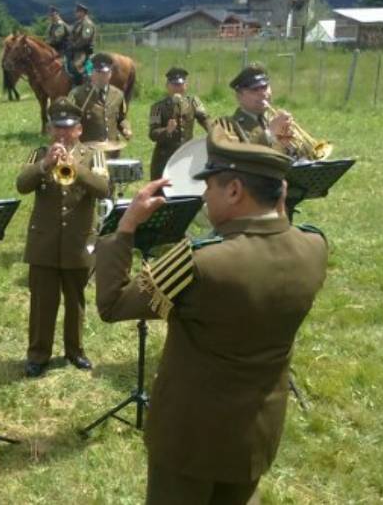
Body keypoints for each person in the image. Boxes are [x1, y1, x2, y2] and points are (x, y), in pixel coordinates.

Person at [95, 123, 328, 504]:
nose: (203, 195)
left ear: (234, 190)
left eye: (209, 185)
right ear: (280, 192)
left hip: (191, 441)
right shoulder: (315, 246)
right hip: (257, 433)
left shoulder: (199, 262)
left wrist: (126, 227)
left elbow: (114, 304)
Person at [16, 97, 112, 377]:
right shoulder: (38, 153)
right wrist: (46, 164)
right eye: (57, 128)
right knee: (42, 302)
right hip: (43, 241)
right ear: (49, 130)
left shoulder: (93, 155)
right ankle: (37, 354)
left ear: (79, 130)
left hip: (78, 240)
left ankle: (75, 350)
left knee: (75, 300)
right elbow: (22, 185)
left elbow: (104, 188)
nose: (62, 134)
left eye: (68, 128)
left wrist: (76, 168)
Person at [148, 67, 210, 179]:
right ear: (167, 86)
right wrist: (166, 131)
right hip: (164, 157)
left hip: (187, 153)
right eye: (174, 85)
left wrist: (215, 134)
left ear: (186, 85)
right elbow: (152, 134)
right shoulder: (157, 107)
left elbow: (206, 120)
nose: (178, 88)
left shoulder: (193, 102)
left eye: (180, 84)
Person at [68, 52, 131, 159]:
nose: (101, 76)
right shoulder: (78, 94)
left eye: (105, 73)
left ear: (110, 74)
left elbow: (122, 118)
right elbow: (69, 122)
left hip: (112, 150)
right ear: (91, 73)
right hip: (87, 153)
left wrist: (126, 129)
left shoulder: (118, 95)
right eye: (98, 72)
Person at [68, 2, 96, 84]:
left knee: (76, 66)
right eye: (76, 11)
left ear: (83, 12)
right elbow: (72, 35)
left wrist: (74, 46)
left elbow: (85, 39)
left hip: (83, 51)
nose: (76, 13)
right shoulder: (78, 23)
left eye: (78, 11)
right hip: (76, 50)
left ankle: (80, 86)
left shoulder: (87, 24)